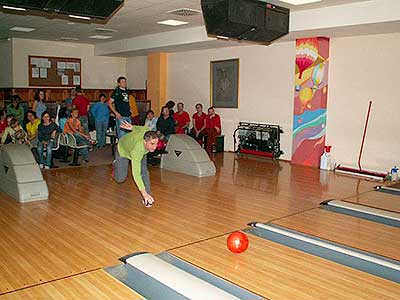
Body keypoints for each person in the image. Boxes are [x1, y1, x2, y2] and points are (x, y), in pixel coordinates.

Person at [113, 122, 158, 207]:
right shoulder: (137, 150)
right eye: (152, 144)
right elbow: (136, 175)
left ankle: (147, 199)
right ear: (145, 142)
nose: (155, 147)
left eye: (156, 143)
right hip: (122, 149)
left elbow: (141, 128)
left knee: (144, 172)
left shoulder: (147, 131)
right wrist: (144, 194)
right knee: (120, 179)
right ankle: (116, 164)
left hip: (139, 150)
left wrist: (132, 127)